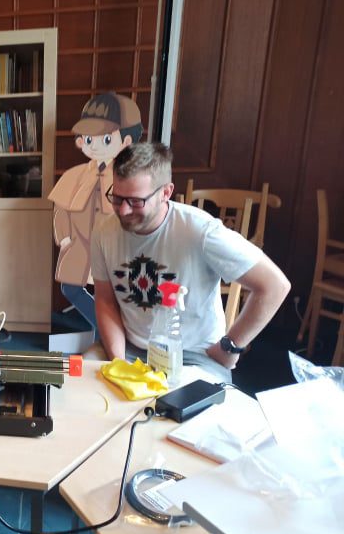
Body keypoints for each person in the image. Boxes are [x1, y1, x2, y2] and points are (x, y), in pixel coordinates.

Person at [90, 142, 290, 382]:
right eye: (117, 198)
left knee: (176, 405)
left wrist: (230, 347)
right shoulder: (104, 231)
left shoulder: (200, 231)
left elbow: (275, 286)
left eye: (135, 201)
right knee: (77, 387)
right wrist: (120, 364)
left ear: (166, 193)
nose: (122, 211)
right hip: (130, 349)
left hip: (193, 357)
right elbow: (105, 300)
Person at [48, 92, 143, 328]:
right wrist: (64, 237)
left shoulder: (129, 177)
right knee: (70, 287)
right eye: (89, 139)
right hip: (80, 243)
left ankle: (109, 329)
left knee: (111, 290)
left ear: (126, 141)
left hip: (113, 247)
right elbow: (61, 209)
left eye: (107, 139)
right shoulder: (76, 175)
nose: (95, 146)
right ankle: (104, 326)